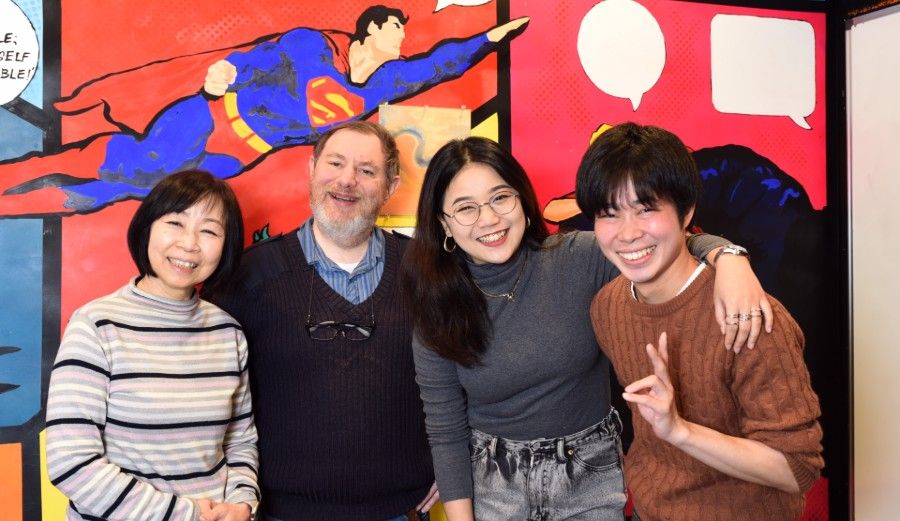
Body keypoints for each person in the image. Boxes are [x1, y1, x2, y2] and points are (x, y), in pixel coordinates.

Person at [402, 136, 772, 520]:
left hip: (588, 474)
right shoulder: (437, 305)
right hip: (494, 483)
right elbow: (445, 430)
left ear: (522, 201)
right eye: (465, 208)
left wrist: (729, 258)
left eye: (500, 198)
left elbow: (661, 242)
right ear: (443, 225)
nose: (489, 219)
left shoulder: (577, 258)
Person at [0, 5, 528, 216]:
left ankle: (18, 197)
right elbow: (252, 60)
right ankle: (20, 174)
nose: (403, 37)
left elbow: (443, 63)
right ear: (371, 31)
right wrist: (223, 72)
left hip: (240, 153)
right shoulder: (312, 46)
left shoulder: (385, 82)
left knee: (133, 190)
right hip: (209, 118)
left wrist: (495, 35)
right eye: (396, 29)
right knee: (120, 164)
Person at [575, 123, 824, 520]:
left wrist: (679, 431)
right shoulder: (608, 307)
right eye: (609, 214)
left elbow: (797, 468)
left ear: (686, 211)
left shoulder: (749, 317)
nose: (628, 233)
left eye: (645, 209)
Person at [204, 121, 437, 520]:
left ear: (391, 186)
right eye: (335, 163)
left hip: (400, 510)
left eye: (367, 170)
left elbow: (467, 373)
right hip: (279, 511)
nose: (347, 180)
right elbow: (208, 395)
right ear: (311, 169)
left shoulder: (429, 272)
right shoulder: (246, 279)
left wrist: (453, 459)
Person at [45, 170, 259, 521]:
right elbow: (72, 462)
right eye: (175, 223)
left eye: (208, 230)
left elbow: (240, 442)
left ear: (226, 245)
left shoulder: (228, 333)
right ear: (147, 228)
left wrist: (242, 504)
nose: (190, 244)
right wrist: (184, 515)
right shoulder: (97, 325)